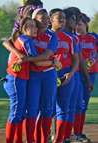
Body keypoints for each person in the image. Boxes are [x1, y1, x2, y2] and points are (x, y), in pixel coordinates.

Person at [3, 8, 61, 143]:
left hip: (49, 75)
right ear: (35, 21)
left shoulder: (51, 35)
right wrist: (53, 62)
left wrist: (25, 59)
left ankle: (43, 141)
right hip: (33, 75)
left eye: (48, 18)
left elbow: (46, 55)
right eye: (43, 19)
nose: (47, 21)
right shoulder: (29, 35)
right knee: (31, 110)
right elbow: (6, 42)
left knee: (47, 110)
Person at [4, 17, 38, 143]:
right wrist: (53, 61)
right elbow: (36, 59)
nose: (35, 29)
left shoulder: (21, 39)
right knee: (16, 113)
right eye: (32, 26)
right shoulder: (26, 40)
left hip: (20, 79)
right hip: (15, 79)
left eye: (35, 26)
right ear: (24, 29)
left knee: (21, 114)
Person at [62, 8, 93, 143]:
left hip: (75, 73)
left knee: (75, 105)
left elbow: (79, 60)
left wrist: (88, 78)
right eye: (74, 19)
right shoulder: (53, 35)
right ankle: (55, 134)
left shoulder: (75, 38)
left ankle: (69, 135)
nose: (75, 22)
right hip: (57, 73)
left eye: (78, 21)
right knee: (52, 107)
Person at [49, 8, 79, 142]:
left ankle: (60, 139)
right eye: (59, 18)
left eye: (64, 18)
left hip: (66, 74)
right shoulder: (45, 36)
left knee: (63, 108)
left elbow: (76, 59)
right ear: (51, 20)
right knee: (46, 109)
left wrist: (71, 74)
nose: (63, 20)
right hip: (49, 75)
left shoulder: (69, 38)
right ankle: (44, 138)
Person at [74, 13, 98, 142]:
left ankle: (79, 132)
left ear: (86, 24)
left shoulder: (94, 37)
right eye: (76, 24)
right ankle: (75, 133)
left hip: (91, 73)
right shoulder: (74, 38)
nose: (77, 27)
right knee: (77, 104)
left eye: (80, 24)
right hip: (77, 73)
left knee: (84, 105)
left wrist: (94, 60)